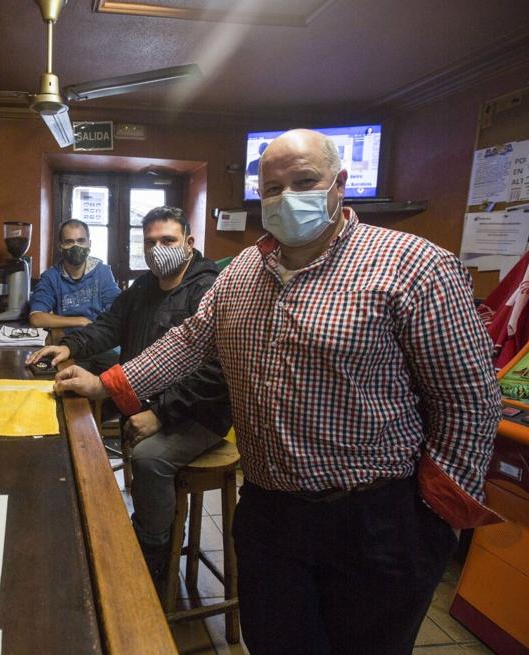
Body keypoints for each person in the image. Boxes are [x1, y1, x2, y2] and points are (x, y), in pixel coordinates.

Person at [53, 129, 503, 655]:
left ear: (339, 185)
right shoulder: (241, 271)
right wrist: (103, 386)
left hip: (376, 519)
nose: (287, 198)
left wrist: (438, 519)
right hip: (270, 513)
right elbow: (190, 342)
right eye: (272, 188)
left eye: (304, 181)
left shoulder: (414, 266)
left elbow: (470, 399)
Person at [27, 207, 231, 582]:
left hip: (197, 413)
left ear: (188, 243)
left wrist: (162, 414)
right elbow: (107, 326)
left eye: (167, 241)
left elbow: (217, 372)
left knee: (150, 458)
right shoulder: (144, 287)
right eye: (150, 242)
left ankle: (154, 552)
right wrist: (70, 347)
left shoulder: (210, 290)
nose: (158, 249)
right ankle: (149, 520)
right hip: (148, 403)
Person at [28, 219, 120, 332]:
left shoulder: (102, 272)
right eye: (69, 242)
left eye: (81, 241)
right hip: (65, 341)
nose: (76, 246)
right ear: (60, 246)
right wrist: (81, 321)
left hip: (97, 337)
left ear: (89, 244)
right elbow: (36, 317)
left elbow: (118, 310)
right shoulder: (50, 277)